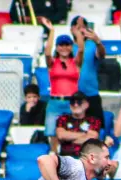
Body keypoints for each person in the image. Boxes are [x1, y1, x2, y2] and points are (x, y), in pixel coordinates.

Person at [41, 18, 83, 153]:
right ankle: (55, 159)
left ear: (71, 47)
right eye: (61, 45)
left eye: (67, 45)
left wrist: (77, 33)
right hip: (55, 101)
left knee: (73, 132)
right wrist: (52, 31)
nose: (64, 48)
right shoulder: (53, 63)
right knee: (53, 135)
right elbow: (47, 52)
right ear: (57, 47)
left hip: (72, 103)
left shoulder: (75, 62)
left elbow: (81, 49)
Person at [71, 16, 106, 125]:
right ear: (72, 29)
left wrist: (98, 41)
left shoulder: (92, 45)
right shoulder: (66, 47)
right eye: (77, 27)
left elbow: (101, 55)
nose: (80, 30)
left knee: (97, 128)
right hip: (72, 95)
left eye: (83, 27)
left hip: (91, 94)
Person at [56, 92, 102, 157]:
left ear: (86, 105)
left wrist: (69, 139)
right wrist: (84, 134)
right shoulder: (63, 118)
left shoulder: (94, 120)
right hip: (66, 157)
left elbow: (92, 139)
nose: (75, 105)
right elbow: (61, 135)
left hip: (86, 158)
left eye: (79, 102)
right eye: (72, 102)